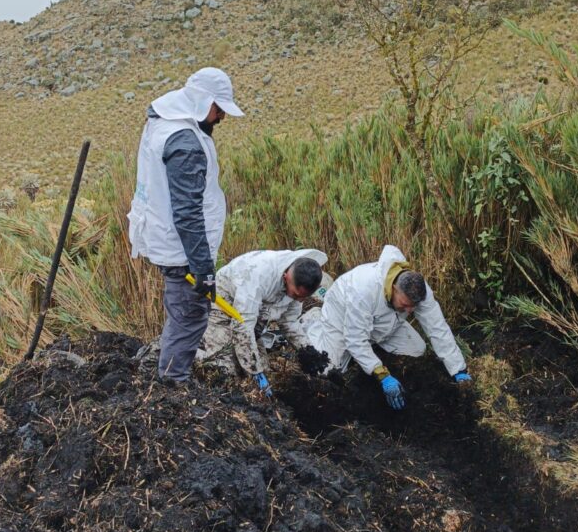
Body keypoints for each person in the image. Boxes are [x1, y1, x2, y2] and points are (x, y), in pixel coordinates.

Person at [128, 67, 244, 385]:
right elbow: (188, 214)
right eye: (218, 109)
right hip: (181, 250)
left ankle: (172, 375)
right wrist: (204, 269)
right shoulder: (185, 144)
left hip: (165, 238)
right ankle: (173, 384)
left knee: (182, 313)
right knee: (190, 316)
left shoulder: (162, 123)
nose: (220, 117)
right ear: (203, 101)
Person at [302, 244, 471, 410]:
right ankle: (313, 320)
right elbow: (355, 339)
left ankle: (370, 352)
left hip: (382, 323)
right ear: (394, 288)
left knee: (417, 349)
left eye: (413, 306)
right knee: (329, 370)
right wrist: (382, 375)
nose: (410, 310)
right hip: (340, 316)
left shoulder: (419, 291)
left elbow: (437, 327)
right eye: (405, 305)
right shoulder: (363, 289)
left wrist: (458, 370)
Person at [198, 249, 327, 395]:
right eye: (296, 295)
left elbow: (289, 321)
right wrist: (255, 371)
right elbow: (242, 325)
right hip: (224, 303)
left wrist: (308, 351)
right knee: (223, 371)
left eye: (302, 298)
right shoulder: (259, 275)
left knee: (264, 369)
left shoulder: (298, 285)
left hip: (254, 313)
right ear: (286, 277)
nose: (299, 300)